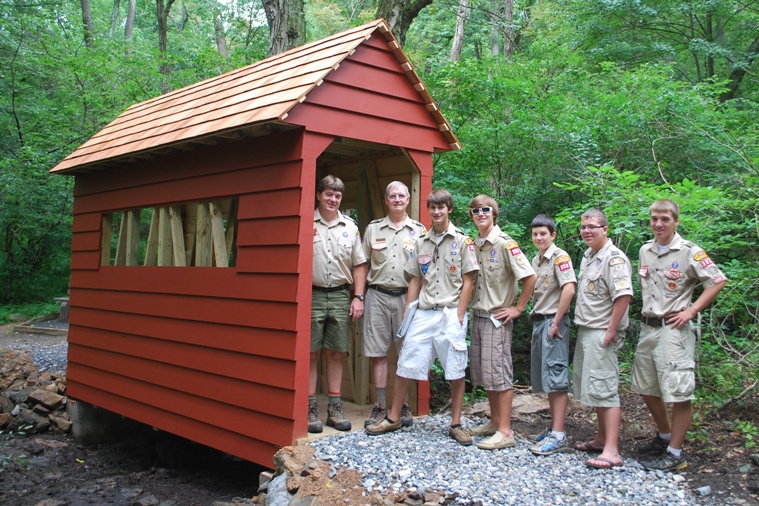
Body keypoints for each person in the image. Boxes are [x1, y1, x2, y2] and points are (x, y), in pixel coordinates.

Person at [365, 189, 479, 445]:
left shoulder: (462, 241)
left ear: (449, 209)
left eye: (441, 207)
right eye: (433, 208)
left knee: (456, 368)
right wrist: (408, 309)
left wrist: (460, 313)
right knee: (407, 362)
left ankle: (456, 423)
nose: (437, 212)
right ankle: (394, 417)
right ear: (428, 210)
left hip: (450, 312)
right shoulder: (421, 241)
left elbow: (469, 279)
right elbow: (416, 278)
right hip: (424, 312)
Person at [632, 200, 726, 471]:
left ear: (676, 221)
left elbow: (716, 280)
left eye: (664, 219)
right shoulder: (645, 250)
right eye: (654, 219)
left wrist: (692, 310)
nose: (658, 224)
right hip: (648, 327)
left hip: (673, 330)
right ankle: (664, 437)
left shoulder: (689, 252)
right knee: (646, 388)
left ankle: (675, 454)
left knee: (678, 392)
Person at [466, 195, 536, 450]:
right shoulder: (474, 244)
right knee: (486, 374)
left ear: (494, 213)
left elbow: (529, 276)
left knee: (500, 375)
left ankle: (506, 432)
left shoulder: (506, 245)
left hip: (497, 318)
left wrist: (518, 308)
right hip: (478, 316)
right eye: (475, 210)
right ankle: (494, 421)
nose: (481, 213)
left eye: (486, 209)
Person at [361, 181, 427, 428]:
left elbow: (424, 271)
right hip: (376, 295)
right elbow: (363, 263)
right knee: (378, 353)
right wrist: (358, 295)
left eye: (402, 196)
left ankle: (403, 405)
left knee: (406, 352)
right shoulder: (373, 229)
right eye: (393, 196)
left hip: (406, 298)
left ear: (408, 200)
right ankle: (379, 406)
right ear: (386, 200)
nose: (398, 199)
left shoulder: (419, 231)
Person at [572, 208, 632, 469]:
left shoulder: (614, 258)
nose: (587, 231)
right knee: (594, 387)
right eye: (584, 227)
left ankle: (612, 450)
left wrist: (611, 330)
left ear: (605, 229)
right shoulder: (589, 255)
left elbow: (623, 296)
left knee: (605, 389)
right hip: (587, 329)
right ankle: (600, 439)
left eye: (592, 227)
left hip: (601, 332)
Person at [309, 175, 368, 433]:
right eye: (328, 194)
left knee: (336, 352)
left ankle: (335, 408)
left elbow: (359, 264)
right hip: (312, 294)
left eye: (337, 195)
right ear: (319, 195)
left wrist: (358, 296)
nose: (333, 199)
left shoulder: (350, 227)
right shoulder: (306, 223)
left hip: (342, 295)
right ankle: (310, 410)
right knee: (311, 353)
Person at [526, 214, 577, 456]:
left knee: (556, 378)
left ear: (553, 235)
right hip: (540, 321)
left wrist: (556, 322)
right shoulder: (536, 260)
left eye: (543, 234)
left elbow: (569, 288)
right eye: (535, 234)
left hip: (553, 323)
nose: (538, 237)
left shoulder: (560, 257)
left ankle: (558, 435)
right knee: (547, 378)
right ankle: (554, 430)